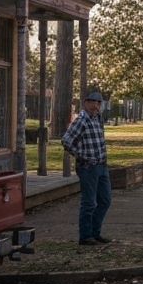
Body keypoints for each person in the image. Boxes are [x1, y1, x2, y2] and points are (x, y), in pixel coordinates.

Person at [62, 89, 112, 244]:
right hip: (88, 167)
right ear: (85, 103)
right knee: (89, 203)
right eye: (92, 101)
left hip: (101, 165)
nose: (95, 105)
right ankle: (85, 236)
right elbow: (66, 141)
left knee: (105, 200)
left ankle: (95, 232)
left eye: (98, 102)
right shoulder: (81, 120)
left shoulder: (98, 118)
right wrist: (82, 156)